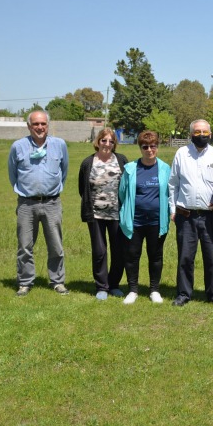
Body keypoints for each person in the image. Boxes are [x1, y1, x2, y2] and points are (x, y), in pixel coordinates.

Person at [168, 119, 213, 307]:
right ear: (191, 134)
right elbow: (173, 184)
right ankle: (183, 294)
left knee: (212, 256)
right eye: (197, 132)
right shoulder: (181, 153)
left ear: (210, 134)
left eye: (205, 132)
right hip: (185, 215)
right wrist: (173, 209)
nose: (201, 135)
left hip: (211, 216)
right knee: (185, 257)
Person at [8, 110, 69, 297]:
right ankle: (25, 282)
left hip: (52, 203)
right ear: (29, 126)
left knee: (56, 245)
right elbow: (13, 174)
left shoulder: (59, 145)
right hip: (27, 204)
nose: (40, 127)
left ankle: (57, 281)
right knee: (25, 246)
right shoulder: (18, 147)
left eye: (43, 124)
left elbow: (64, 171)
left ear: (48, 125)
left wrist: (53, 190)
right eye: (35, 124)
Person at [118, 131, 171, 305]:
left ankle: (154, 290)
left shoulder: (165, 168)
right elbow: (122, 193)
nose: (149, 150)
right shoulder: (130, 169)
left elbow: (170, 193)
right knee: (132, 255)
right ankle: (133, 290)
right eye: (145, 146)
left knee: (155, 256)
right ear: (140, 148)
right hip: (135, 221)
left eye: (153, 146)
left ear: (157, 147)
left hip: (157, 221)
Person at [78, 128, 128, 300]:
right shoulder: (88, 162)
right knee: (99, 251)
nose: (107, 144)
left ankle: (114, 284)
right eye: (104, 140)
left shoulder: (121, 160)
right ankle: (101, 286)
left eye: (111, 141)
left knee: (118, 251)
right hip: (96, 215)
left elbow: (127, 185)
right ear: (97, 142)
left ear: (115, 144)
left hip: (117, 214)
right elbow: (82, 189)